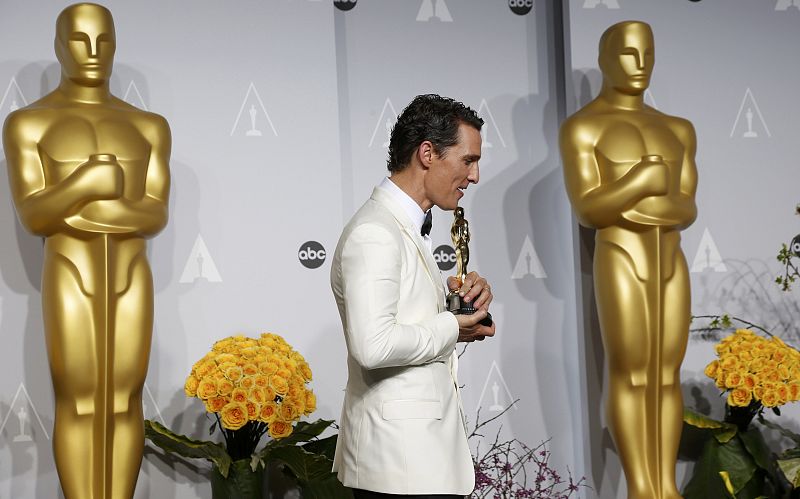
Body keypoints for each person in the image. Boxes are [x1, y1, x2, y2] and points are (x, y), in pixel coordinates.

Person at [3, 4, 170, 498]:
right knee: (76, 400)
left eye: (104, 41)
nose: (94, 53)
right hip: (69, 270)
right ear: (58, 46)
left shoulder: (148, 126)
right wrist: (88, 182)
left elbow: (154, 216)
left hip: (130, 273)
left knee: (124, 399)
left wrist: (74, 209)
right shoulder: (28, 124)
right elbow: (34, 216)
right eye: (79, 40)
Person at [330, 94, 496, 498]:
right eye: (468, 160)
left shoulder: (407, 228)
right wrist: (449, 325)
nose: (474, 177)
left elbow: (413, 327)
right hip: (396, 466)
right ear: (427, 153)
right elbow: (373, 346)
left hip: (419, 463)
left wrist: (462, 311)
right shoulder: (375, 233)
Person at [559, 21, 697, 499]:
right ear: (604, 59)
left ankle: (666, 486)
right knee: (632, 370)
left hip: (670, 260)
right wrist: (640, 182)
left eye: (647, 54)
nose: (639, 66)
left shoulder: (677, 129)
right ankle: (642, 487)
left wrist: (635, 201)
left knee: (666, 373)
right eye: (627, 55)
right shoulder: (583, 127)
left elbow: (686, 207)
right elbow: (589, 208)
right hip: (620, 255)